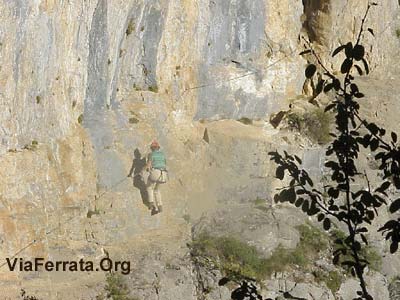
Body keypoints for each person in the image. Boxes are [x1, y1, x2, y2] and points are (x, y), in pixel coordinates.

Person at [146, 140, 167, 215]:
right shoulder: (163, 154)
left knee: (149, 186)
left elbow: (148, 166)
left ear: (152, 148)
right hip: (164, 175)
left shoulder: (151, 154)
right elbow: (164, 163)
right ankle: (160, 206)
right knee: (157, 190)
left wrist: (147, 169)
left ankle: (151, 203)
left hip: (156, 172)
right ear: (158, 148)